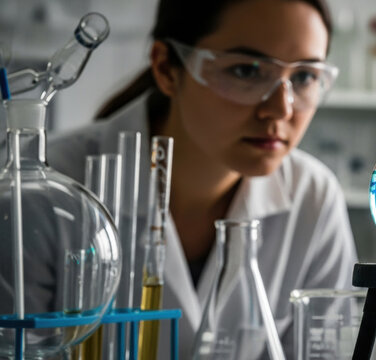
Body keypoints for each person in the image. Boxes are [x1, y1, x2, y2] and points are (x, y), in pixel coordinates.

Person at [47, 0, 358, 357]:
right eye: (246, 71)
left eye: (304, 77)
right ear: (166, 68)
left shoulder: (314, 197)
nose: (281, 109)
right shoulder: (50, 186)